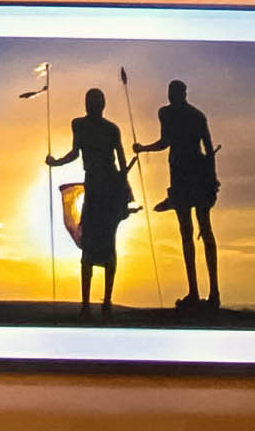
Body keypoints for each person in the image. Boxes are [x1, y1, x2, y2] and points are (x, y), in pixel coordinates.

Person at [133, 79, 221, 309]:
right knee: (191, 232)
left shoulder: (188, 115)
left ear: (183, 94)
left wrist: (212, 180)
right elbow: (172, 143)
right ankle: (198, 292)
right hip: (187, 176)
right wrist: (144, 148)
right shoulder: (181, 114)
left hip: (191, 176)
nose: (172, 96)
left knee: (200, 231)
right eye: (170, 92)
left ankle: (212, 293)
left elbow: (203, 147)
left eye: (175, 92)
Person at [46, 88, 131, 317]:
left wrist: (125, 192)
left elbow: (122, 161)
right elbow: (75, 152)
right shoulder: (79, 125)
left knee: (108, 246)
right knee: (89, 248)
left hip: (110, 188)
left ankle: (107, 303)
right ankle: (85, 304)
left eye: (96, 102)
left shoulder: (112, 129)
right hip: (94, 188)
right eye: (89, 102)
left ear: (102, 105)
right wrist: (57, 163)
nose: (92, 106)